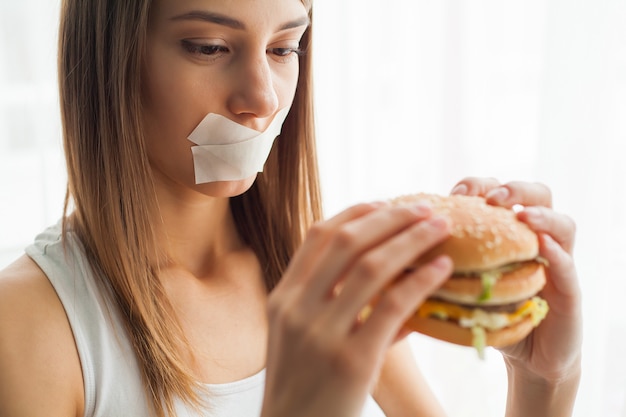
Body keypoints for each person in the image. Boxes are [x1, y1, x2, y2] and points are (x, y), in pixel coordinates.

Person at [0, 0, 581, 416]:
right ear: (112, 59)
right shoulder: (27, 323)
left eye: (284, 47)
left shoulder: (329, 274)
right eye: (210, 47)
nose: (263, 97)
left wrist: (542, 384)